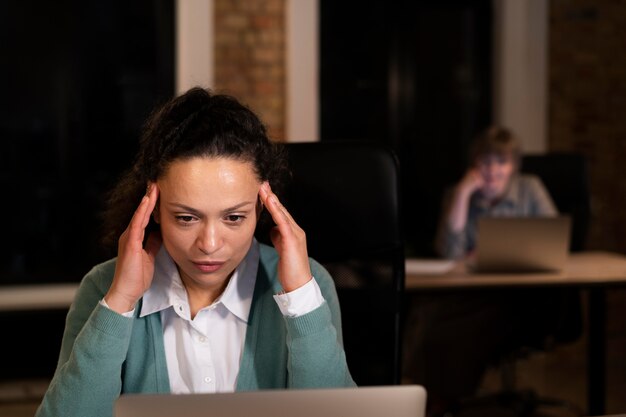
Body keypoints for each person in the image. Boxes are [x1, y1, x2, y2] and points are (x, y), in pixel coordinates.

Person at [35, 87, 355, 417]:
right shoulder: (104, 287)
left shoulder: (309, 286)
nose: (209, 244)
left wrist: (301, 298)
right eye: (186, 218)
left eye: (234, 217)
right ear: (155, 208)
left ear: (261, 208)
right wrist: (120, 302)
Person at [403, 126, 562, 417]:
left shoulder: (530, 188)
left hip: (521, 294)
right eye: (485, 161)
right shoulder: (458, 192)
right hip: (471, 290)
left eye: (501, 162)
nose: (492, 170)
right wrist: (463, 195)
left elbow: (551, 239)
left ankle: (442, 396)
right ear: (475, 164)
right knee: (429, 312)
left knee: (459, 323)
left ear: (513, 165)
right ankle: (429, 392)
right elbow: (449, 252)